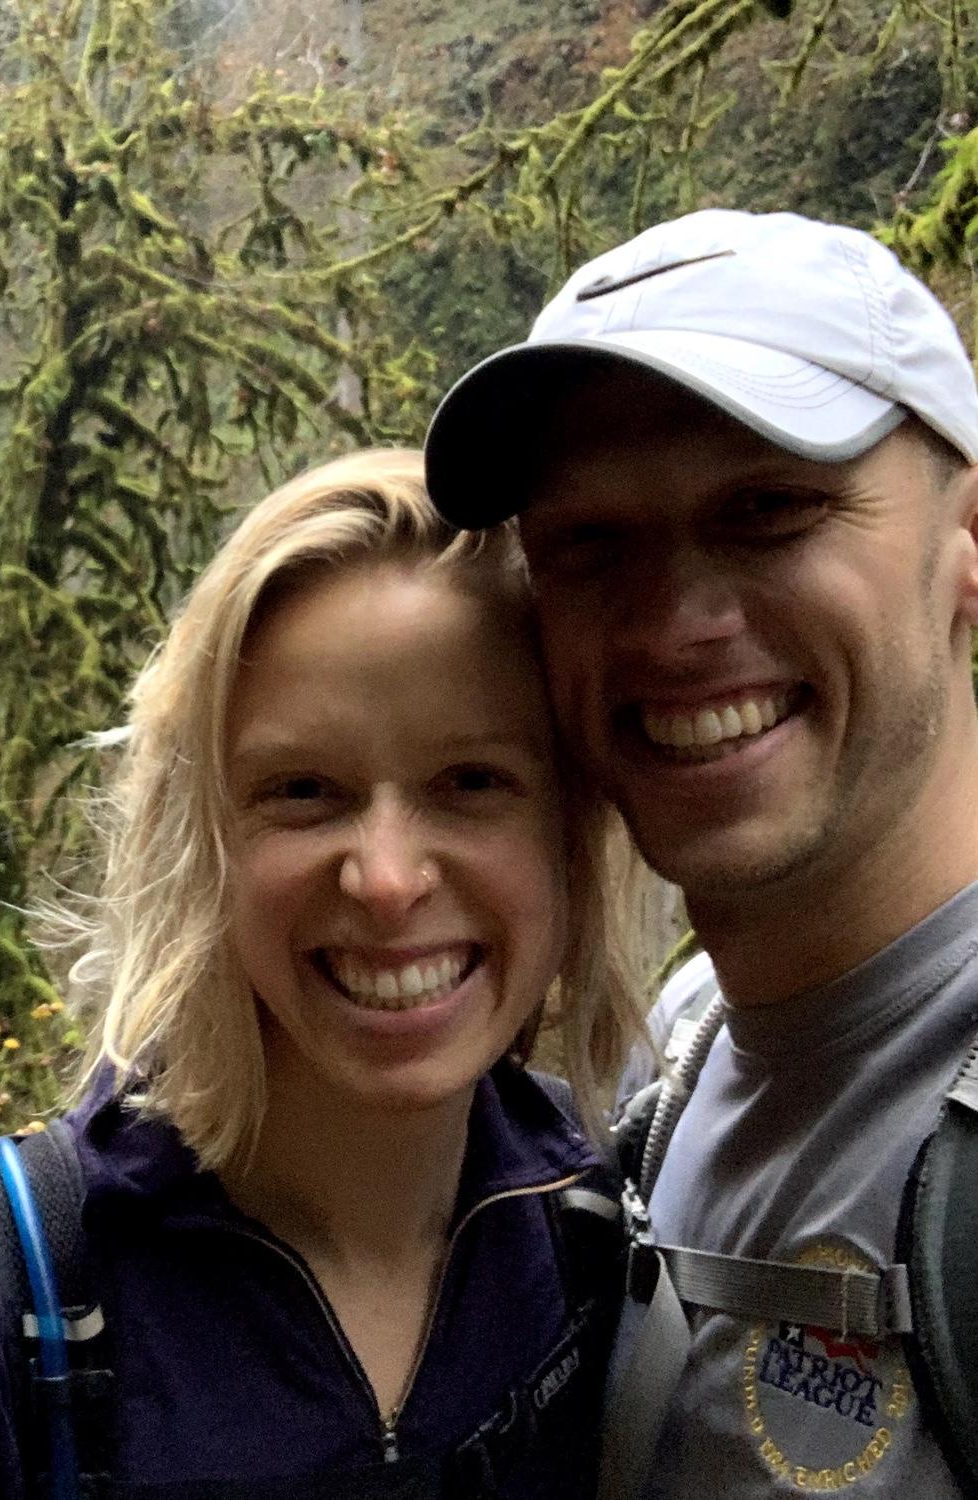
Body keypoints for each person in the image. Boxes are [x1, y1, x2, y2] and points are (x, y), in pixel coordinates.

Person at [0, 448, 648, 1498]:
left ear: (568, 835)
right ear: (199, 843)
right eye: (303, 789)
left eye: (472, 780)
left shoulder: (600, 1240)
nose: (387, 879)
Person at [424, 208, 978, 1497]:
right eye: (589, 546)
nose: (674, 628)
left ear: (966, 550)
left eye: (769, 510)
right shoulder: (667, 1059)